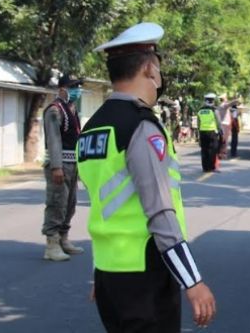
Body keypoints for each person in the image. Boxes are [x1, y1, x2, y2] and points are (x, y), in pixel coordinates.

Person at [77, 22, 216, 331]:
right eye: (158, 70)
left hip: (108, 274)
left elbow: (102, 205)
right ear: (151, 72)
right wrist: (192, 281)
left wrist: (100, 273)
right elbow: (160, 211)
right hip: (145, 275)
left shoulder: (92, 129)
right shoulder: (140, 126)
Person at [41, 74, 85, 261]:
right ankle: (52, 244)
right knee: (57, 203)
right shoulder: (55, 110)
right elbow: (54, 140)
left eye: (78, 87)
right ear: (62, 89)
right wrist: (56, 166)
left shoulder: (72, 110)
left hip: (73, 163)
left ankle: (63, 239)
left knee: (70, 204)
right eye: (73, 87)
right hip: (60, 165)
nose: (77, 90)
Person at [197, 93, 220, 172]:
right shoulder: (214, 110)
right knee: (212, 150)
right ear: (213, 101)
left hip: (202, 132)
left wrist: (198, 135)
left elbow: (198, 123)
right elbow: (218, 122)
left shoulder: (200, 110)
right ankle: (212, 167)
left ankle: (205, 168)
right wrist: (220, 131)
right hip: (212, 132)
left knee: (204, 150)